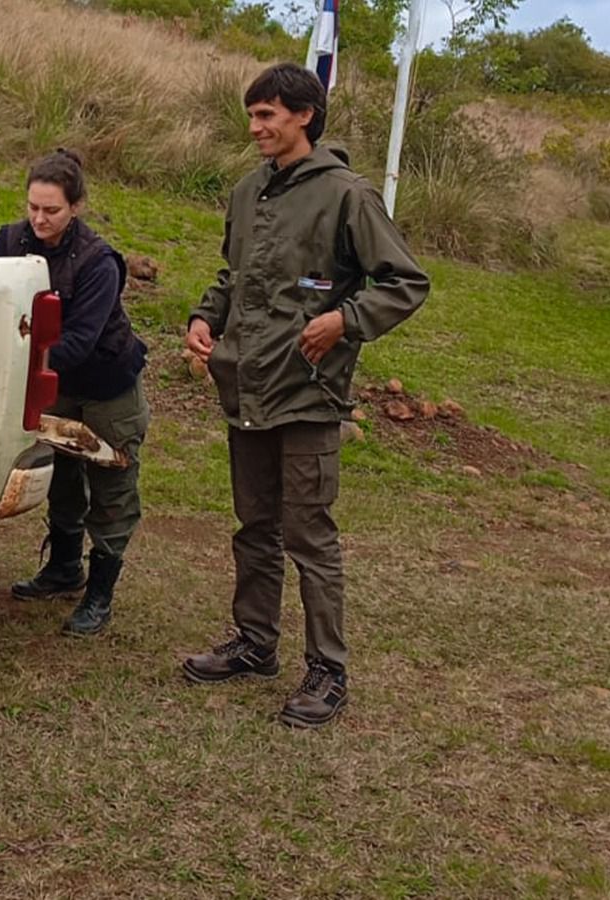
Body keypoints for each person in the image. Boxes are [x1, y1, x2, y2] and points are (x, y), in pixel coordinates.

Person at [180, 63, 429, 728]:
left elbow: (405, 281)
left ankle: (328, 672)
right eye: (252, 115)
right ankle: (254, 643)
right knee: (254, 527)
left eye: (266, 115)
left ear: (304, 116)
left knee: (309, 536)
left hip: (309, 393)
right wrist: (206, 315)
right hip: (247, 386)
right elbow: (236, 275)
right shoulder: (247, 191)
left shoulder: (349, 196)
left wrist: (345, 320)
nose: (255, 127)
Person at [0, 149, 150, 637]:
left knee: (112, 485)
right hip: (50, 382)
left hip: (106, 386)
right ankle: (62, 569)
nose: (39, 219)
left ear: (75, 207)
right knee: (60, 474)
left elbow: (78, 343)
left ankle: (100, 594)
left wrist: (10, 353)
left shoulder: (100, 263)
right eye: (33, 207)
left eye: (51, 210)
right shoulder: (9, 241)